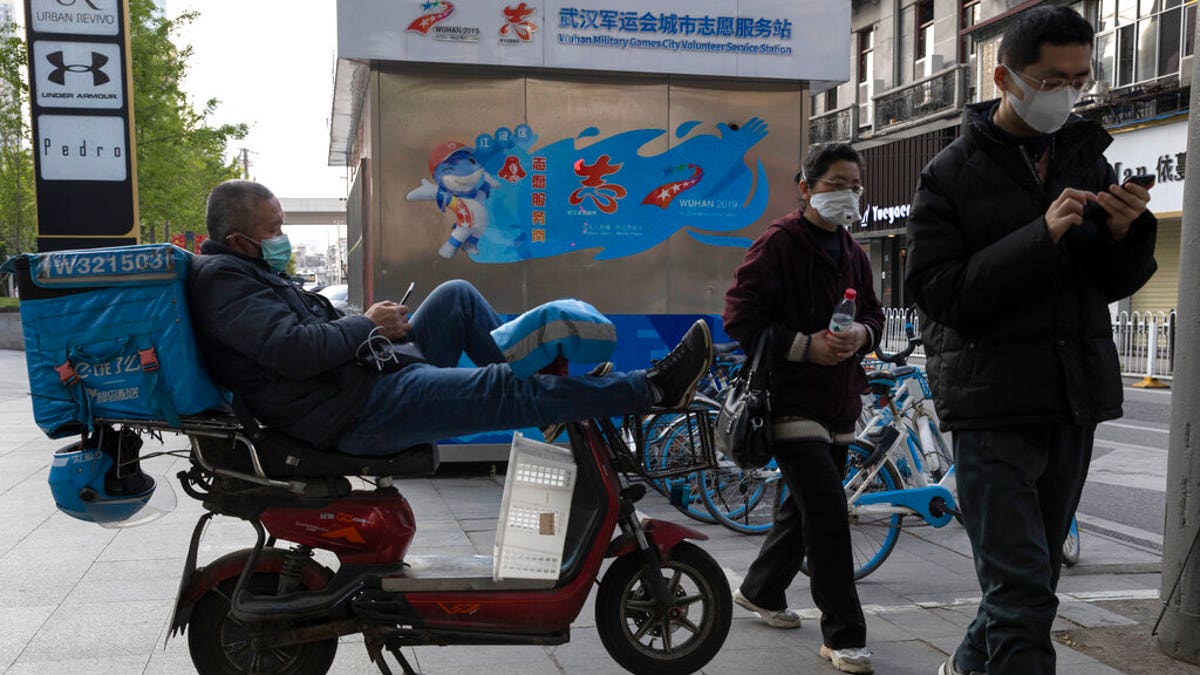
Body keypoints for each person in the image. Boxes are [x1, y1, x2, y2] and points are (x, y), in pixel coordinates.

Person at [904, 7, 1157, 675]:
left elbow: (1104, 283)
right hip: (991, 409)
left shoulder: (1087, 158)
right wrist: (1038, 235)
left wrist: (1128, 236)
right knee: (1020, 598)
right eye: (1051, 79)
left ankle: (963, 665)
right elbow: (940, 294)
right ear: (1006, 78)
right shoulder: (948, 174)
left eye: (1079, 79)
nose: (1066, 94)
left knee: (1032, 584)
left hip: (1070, 404)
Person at [188, 179, 713, 455]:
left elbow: (303, 336)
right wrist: (366, 324)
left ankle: (544, 399)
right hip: (355, 411)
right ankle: (653, 389)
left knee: (457, 294)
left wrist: (370, 325)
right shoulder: (225, 280)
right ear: (239, 239)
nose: (282, 237)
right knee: (503, 389)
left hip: (366, 378)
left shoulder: (248, 269)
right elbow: (293, 350)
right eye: (274, 229)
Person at [723, 143, 884, 675]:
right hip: (790, 400)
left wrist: (862, 333)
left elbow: (876, 319)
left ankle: (762, 590)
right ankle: (844, 635)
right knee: (830, 516)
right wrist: (803, 346)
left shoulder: (852, 250)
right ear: (807, 187)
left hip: (840, 401)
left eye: (856, 186)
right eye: (837, 183)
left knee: (804, 509)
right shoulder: (779, 244)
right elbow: (740, 319)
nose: (849, 195)